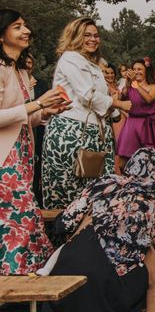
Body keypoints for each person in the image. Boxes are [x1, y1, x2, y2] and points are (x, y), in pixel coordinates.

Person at [41, 148, 155, 312]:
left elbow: (64, 224)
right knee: (147, 259)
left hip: (70, 267)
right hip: (110, 283)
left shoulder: (103, 183)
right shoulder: (150, 202)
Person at [0, 9, 68, 274]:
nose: (26, 30)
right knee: (21, 218)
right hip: (5, 158)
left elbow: (22, 115)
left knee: (21, 218)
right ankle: (15, 277)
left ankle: (23, 279)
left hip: (23, 154)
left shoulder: (20, 71)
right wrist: (37, 104)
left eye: (25, 25)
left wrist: (45, 112)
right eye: (17, 26)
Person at [41, 17, 132, 209]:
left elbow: (101, 95)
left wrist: (112, 112)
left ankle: (92, 234)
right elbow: (87, 95)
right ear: (75, 37)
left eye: (96, 35)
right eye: (87, 35)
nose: (93, 39)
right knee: (71, 193)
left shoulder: (93, 63)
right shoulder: (71, 58)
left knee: (97, 191)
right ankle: (68, 236)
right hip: (71, 135)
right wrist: (120, 104)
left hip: (93, 133)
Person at [115, 57, 155, 168]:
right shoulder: (129, 88)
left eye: (139, 69)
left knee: (150, 160)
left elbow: (149, 99)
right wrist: (128, 83)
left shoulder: (153, 87)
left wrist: (136, 84)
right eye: (134, 69)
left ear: (146, 71)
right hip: (131, 125)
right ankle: (128, 182)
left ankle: (148, 183)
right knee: (123, 162)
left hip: (147, 126)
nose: (136, 71)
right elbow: (120, 99)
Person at [25, 54, 50, 207]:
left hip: (36, 129)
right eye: (25, 62)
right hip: (14, 133)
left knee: (37, 162)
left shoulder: (40, 84)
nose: (27, 65)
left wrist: (46, 112)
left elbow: (37, 113)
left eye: (30, 63)